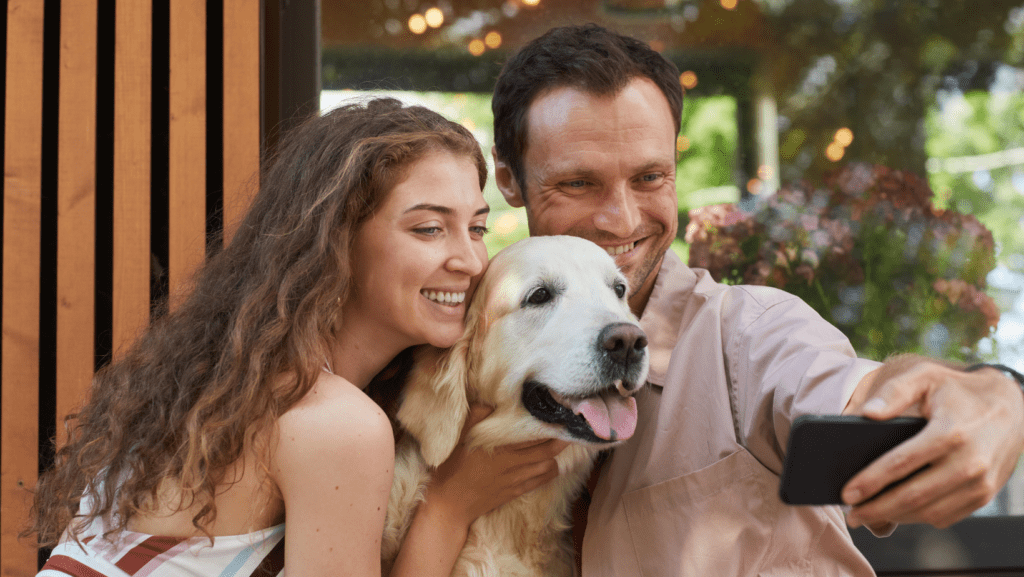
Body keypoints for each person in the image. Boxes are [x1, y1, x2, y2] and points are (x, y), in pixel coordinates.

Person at [490, 24, 1024, 576]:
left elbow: (863, 393)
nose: (622, 220)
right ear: (509, 179)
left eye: (650, 177)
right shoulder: (481, 347)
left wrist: (991, 392)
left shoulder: (750, 333)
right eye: (578, 184)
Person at [29, 98, 568, 576]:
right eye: (429, 228)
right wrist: (450, 507)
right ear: (335, 243)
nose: (472, 260)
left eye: (476, 227)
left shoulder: (222, 377)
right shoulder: (334, 423)